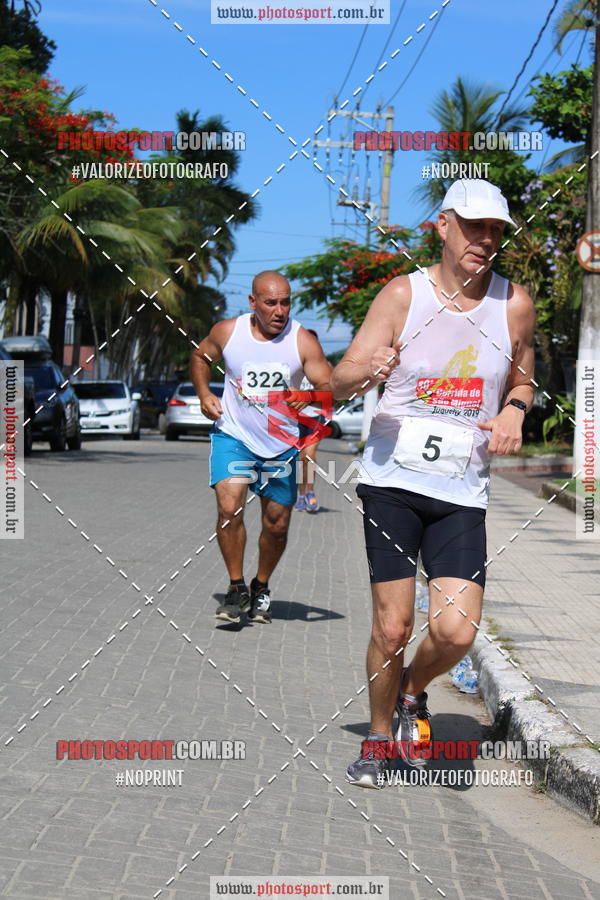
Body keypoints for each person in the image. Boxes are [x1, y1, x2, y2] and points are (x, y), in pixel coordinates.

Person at [330, 180, 536, 788]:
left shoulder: (513, 304)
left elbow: (523, 382)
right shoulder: (402, 295)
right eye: (473, 226)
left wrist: (514, 412)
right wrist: (367, 370)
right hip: (392, 482)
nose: (485, 239)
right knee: (391, 627)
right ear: (442, 227)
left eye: (495, 229)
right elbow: (340, 381)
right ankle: (375, 739)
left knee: (456, 631)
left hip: (461, 489)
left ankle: (411, 694)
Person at [191, 271, 332, 625]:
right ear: (252, 303)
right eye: (271, 303)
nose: (279, 310)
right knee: (228, 508)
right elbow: (201, 357)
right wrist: (204, 393)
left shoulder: (301, 341)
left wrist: (311, 395)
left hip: (282, 445)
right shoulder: (229, 332)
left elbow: (327, 383)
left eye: (286, 302)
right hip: (234, 437)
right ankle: (237, 588)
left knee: (277, 525)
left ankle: (261, 585)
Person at [295, 329, 326, 513]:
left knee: (310, 455)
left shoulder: (323, 365)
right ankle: (301, 495)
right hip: (297, 419)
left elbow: (331, 390)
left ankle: (311, 493)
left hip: (316, 417)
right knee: (300, 459)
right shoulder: (293, 366)